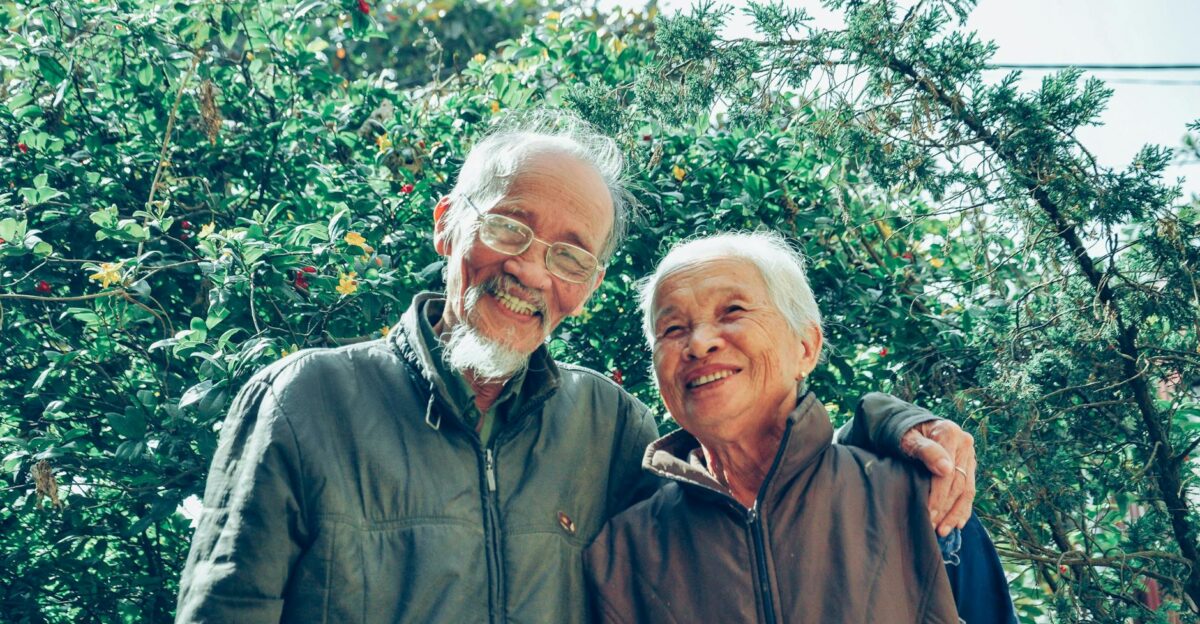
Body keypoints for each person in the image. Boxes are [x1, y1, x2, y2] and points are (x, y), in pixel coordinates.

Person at [174, 110, 978, 623]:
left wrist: (893, 424)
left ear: (588, 288)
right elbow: (225, 608)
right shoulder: (309, 399)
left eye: (567, 254)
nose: (530, 270)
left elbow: (749, 486)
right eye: (512, 229)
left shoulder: (608, 427)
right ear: (448, 226)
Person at [583, 232, 1015, 623]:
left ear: (806, 347)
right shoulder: (624, 553)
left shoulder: (919, 498)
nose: (698, 343)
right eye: (672, 328)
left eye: (732, 311)